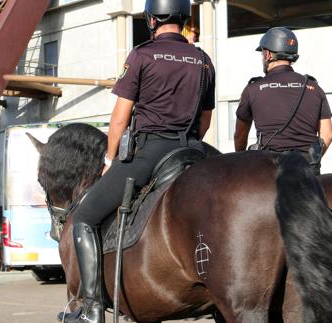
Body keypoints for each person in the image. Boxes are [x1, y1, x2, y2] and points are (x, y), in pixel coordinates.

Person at [63, 0, 215, 322]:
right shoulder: (202, 60)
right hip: (194, 150)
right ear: (184, 17)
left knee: (85, 217)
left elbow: (120, 117)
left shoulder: (142, 55)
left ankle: (91, 307)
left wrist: (109, 158)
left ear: (151, 18)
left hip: (150, 152)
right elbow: (205, 118)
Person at [233, 26, 332, 175]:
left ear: (267, 55)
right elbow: (328, 134)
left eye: (262, 54)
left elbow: (240, 135)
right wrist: (311, 161)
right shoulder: (313, 88)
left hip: (268, 170)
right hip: (306, 169)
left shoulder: (253, 89)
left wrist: (241, 162)